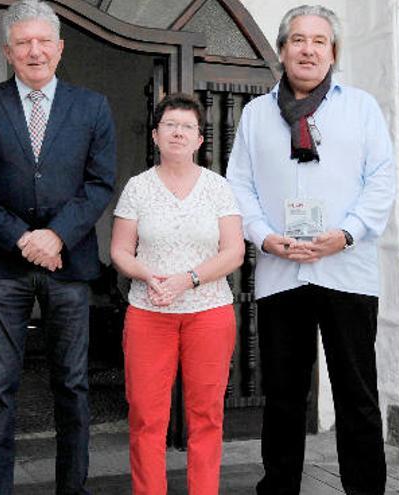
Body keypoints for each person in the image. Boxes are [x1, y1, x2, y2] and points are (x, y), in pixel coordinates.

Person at [226, 5, 395, 495]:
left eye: (319, 41)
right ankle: (278, 487)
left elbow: (381, 181)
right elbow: (240, 185)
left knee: (356, 393)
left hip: (347, 269)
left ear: (333, 53)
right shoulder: (257, 114)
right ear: (282, 50)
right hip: (283, 271)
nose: (308, 49)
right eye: (297, 39)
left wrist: (346, 233)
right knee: (283, 395)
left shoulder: (361, 107)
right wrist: (263, 236)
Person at [0, 0, 116, 493]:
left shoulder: (92, 106)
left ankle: (73, 487)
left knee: (72, 384)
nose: (35, 51)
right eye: (24, 43)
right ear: (8, 50)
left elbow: (100, 183)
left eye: (44, 41)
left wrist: (57, 234)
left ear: (60, 48)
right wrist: (21, 237)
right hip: (2, 267)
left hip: (71, 265)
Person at [110, 93, 244, 495]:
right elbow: (119, 249)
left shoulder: (218, 187)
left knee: (206, 415)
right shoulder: (138, 187)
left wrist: (188, 279)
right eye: (170, 125)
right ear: (155, 134)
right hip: (149, 312)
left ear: (200, 139)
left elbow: (234, 251)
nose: (178, 133)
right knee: (146, 416)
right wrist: (146, 274)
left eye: (187, 126)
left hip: (209, 311)